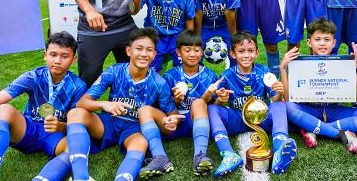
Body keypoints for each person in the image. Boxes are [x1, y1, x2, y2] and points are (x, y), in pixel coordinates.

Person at [0, 32, 87, 181]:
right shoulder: (33, 77)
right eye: (53, 54)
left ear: (73, 59)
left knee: (74, 148)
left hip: (55, 135)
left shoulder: (78, 86)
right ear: (45, 55)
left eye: (64, 56)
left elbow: (77, 123)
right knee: (3, 109)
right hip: (28, 129)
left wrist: (61, 126)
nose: (57, 60)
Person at [64, 28, 177, 181]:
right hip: (108, 122)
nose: (144, 54)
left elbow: (172, 116)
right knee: (75, 113)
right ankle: (80, 177)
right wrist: (105, 105)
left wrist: (170, 122)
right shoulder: (114, 71)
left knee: (141, 142)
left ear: (154, 55)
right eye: (139, 48)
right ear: (129, 51)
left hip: (134, 128)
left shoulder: (159, 83)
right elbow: (82, 102)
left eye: (149, 50)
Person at [207, 31, 297, 176]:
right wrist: (220, 100)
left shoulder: (263, 71)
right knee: (212, 108)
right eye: (241, 51)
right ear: (233, 54)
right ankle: (229, 154)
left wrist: (279, 92)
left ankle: (280, 150)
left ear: (257, 53)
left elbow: (274, 100)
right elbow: (219, 104)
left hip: (261, 118)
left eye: (250, 51)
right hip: (237, 118)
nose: (246, 55)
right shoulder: (226, 76)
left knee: (280, 104)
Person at [279, 18, 357, 152]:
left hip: (334, 110)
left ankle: (312, 128)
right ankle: (341, 133)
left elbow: (355, 97)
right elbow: (289, 98)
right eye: (317, 39)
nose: (322, 44)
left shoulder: (343, 64)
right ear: (309, 42)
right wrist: (283, 69)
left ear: (334, 43)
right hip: (309, 110)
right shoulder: (299, 64)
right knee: (287, 107)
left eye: (327, 39)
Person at [138, 29, 218, 176]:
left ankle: (200, 156)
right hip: (172, 122)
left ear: (202, 53)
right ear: (178, 53)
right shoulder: (169, 76)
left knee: (199, 103)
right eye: (187, 50)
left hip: (196, 122)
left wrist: (211, 97)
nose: (192, 54)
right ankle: (160, 157)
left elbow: (214, 109)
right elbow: (162, 106)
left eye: (196, 50)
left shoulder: (210, 75)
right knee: (144, 110)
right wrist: (175, 100)